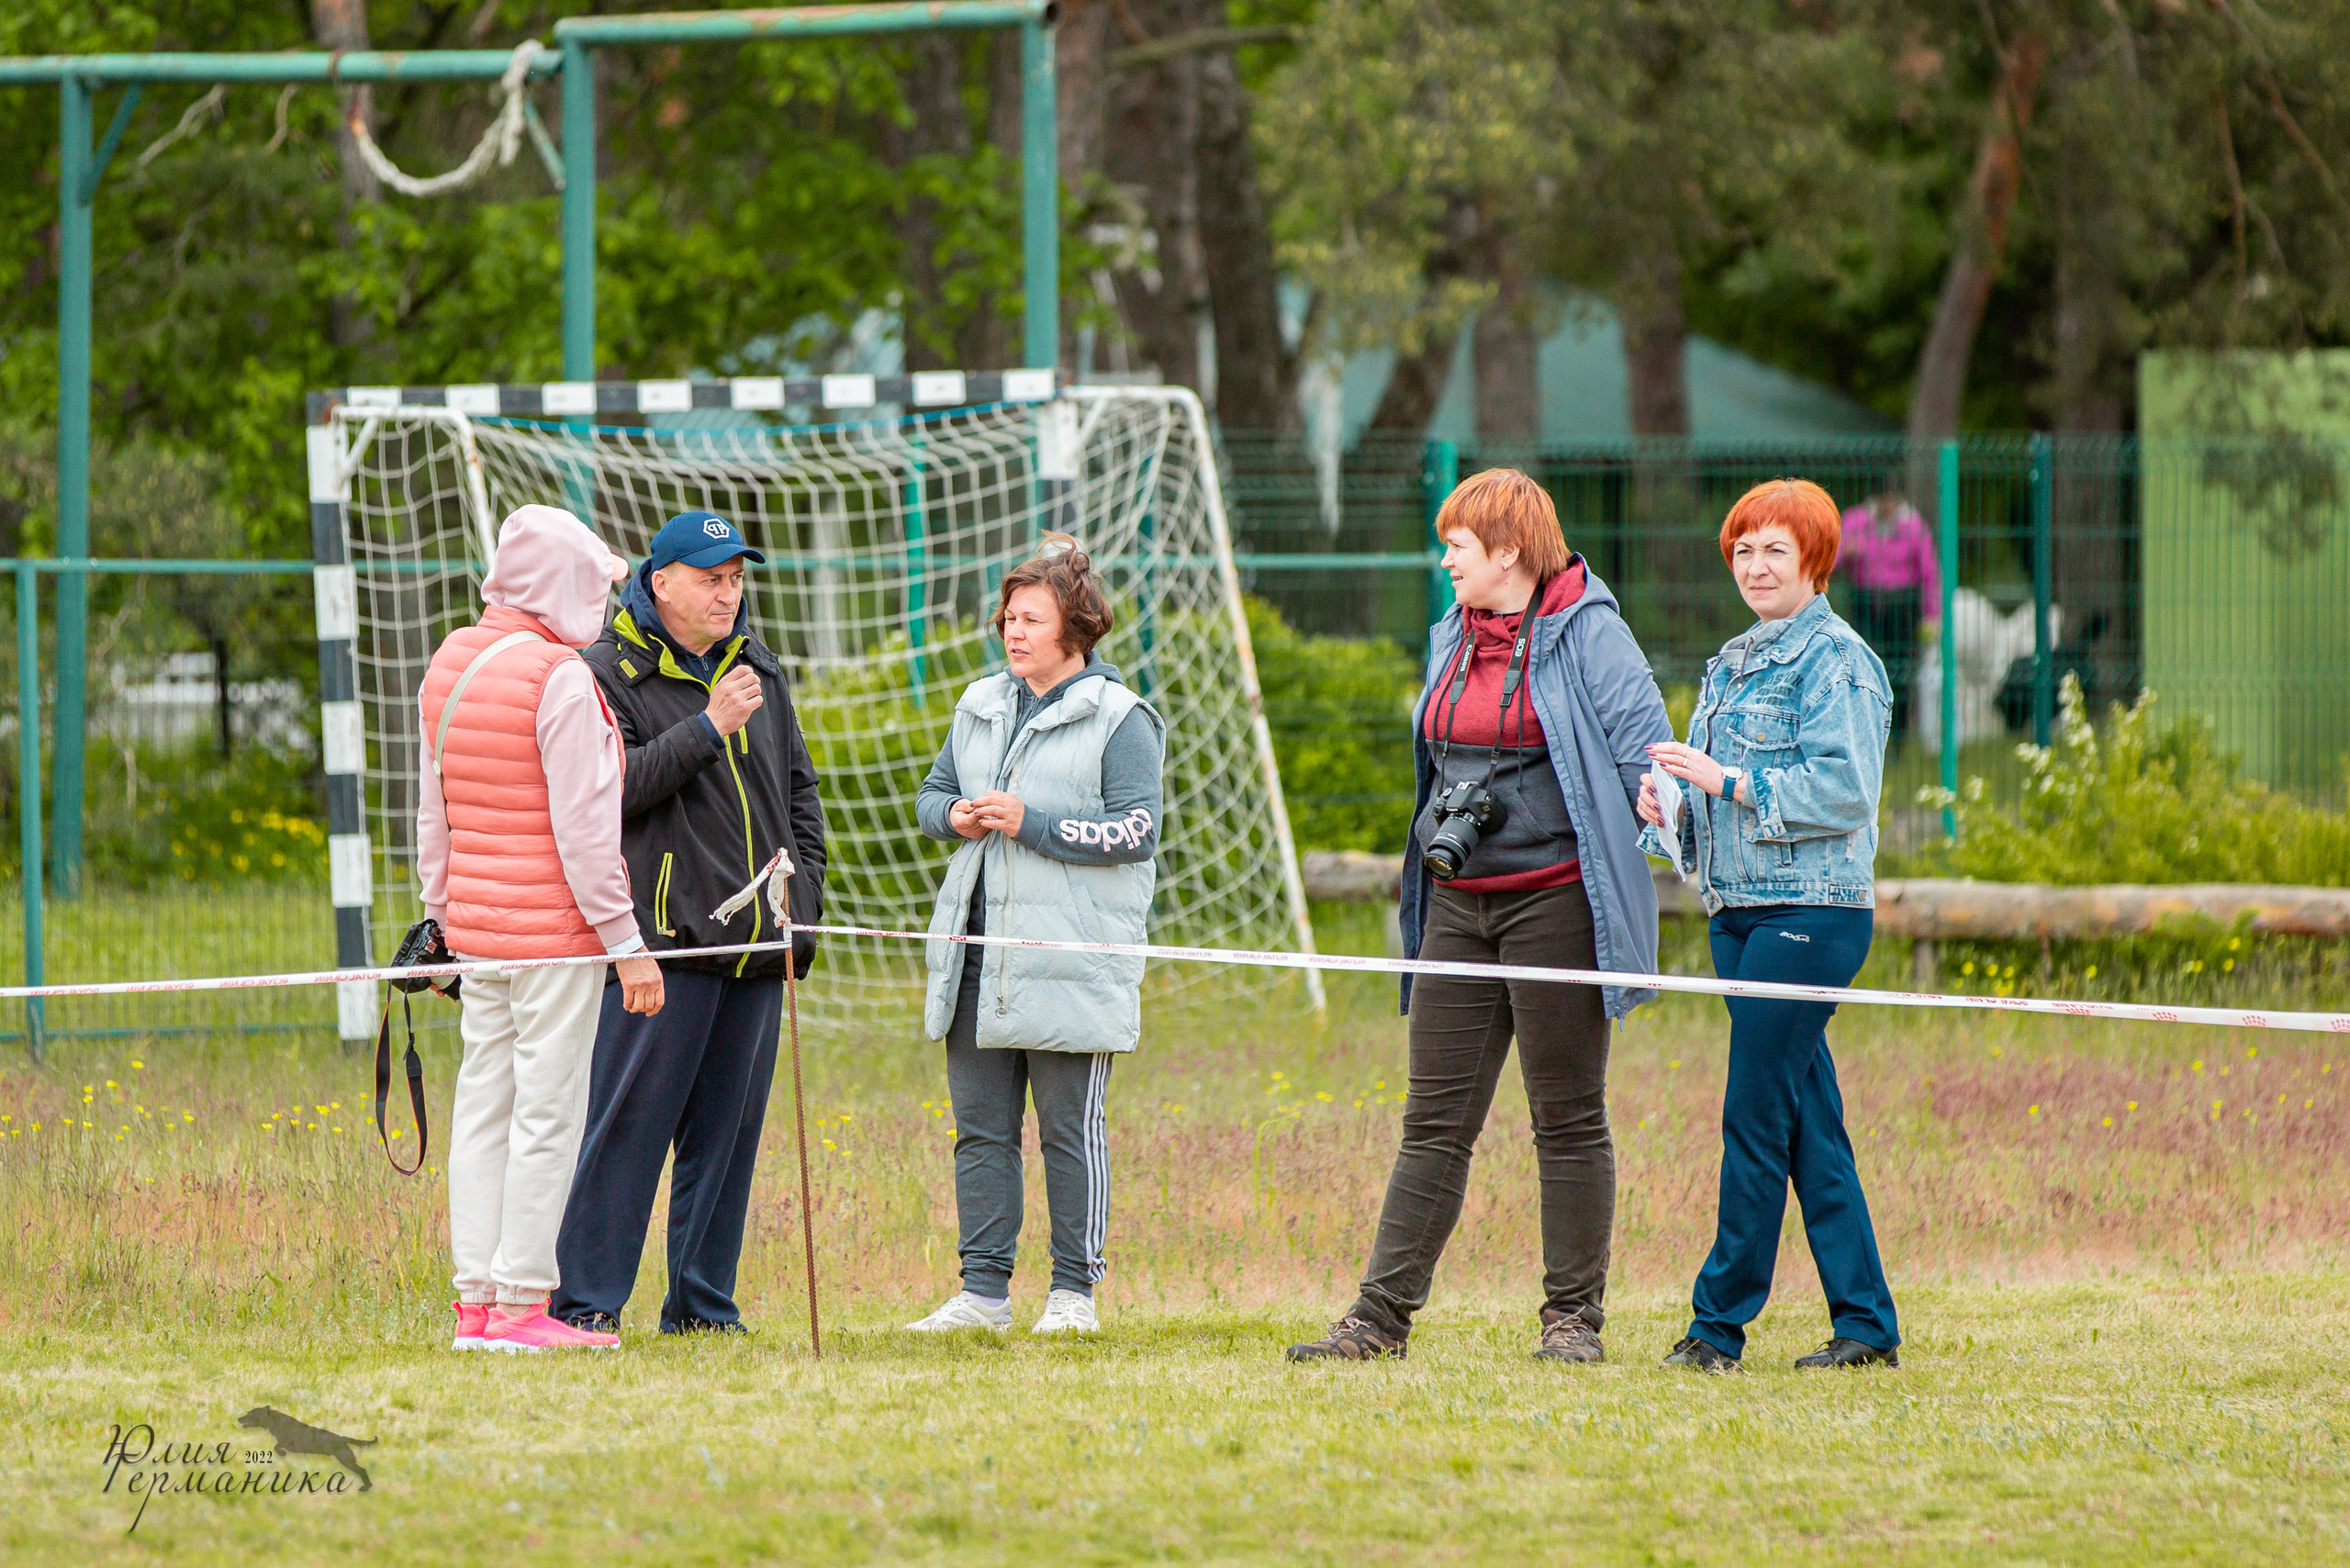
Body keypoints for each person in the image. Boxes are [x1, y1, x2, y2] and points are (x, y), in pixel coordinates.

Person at [1286, 468, 1673, 1367]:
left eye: (1456, 544)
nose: (1445, 559)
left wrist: (1660, 816)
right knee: (1432, 1120)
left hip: (1558, 903)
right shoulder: (1449, 634)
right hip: (1458, 905)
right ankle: (1377, 1319)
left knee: (1566, 1116)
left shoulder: (1593, 636)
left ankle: (1572, 1321)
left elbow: (1642, 766)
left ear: (1507, 549)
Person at [1640, 476, 1901, 1374]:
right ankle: (1865, 1323)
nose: (1755, 565)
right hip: (1735, 915)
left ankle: (1716, 1328)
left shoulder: (1840, 663)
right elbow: (1705, 799)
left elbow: (1843, 792)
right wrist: (1667, 802)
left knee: (1752, 1116)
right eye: (1743, 549)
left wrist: (1725, 783)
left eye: (1773, 550)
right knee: (1805, 1124)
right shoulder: (1730, 660)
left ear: (1815, 561)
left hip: (1811, 916)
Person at [551, 510, 827, 1338]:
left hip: (756, 946)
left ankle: (703, 1307)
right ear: (659, 581)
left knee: (729, 1141)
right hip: (663, 946)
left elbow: (800, 791)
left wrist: (803, 896)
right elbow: (611, 792)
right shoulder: (607, 673)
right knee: (629, 1132)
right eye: (711, 579)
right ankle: (588, 1302)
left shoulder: (759, 666)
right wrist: (709, 727)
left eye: (737, 579)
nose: (728, 595)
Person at [416, 504, 666, 1354]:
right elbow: (587, 834)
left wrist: (440, 919)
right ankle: (523, 1304)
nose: (602, 603)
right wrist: (627, 944)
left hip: (479, 937)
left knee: (481, 1110)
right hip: (556, 941)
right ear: (560, 583)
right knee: (547, 1116)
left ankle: (476, 1305)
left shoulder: (451, 662)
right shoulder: (561, 677)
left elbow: (433, 813)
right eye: (594, 585)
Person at [902, 533, 1165, 1337]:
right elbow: (931, 795)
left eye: (1031, 619)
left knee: (1067, 1132)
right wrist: (953, 816)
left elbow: (1138, 831)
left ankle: (1073, 1295)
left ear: (1075, 629)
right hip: (978, 958)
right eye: (1008, 618)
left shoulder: (1123, 718)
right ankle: (982, 1296)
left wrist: (1033, 823)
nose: (1013, 633)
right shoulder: (979, 702)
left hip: (1073, 963)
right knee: (981, 1132)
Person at [1834, 492, 1939, 743]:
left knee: (1901, 670)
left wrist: (1932, 614)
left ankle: (1897, 736)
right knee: (1862, 667)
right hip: (1865, 602)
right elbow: (1831, 563)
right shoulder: (1855, 521)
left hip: (1901, 606)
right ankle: (1865, 732)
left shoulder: (1913, 526)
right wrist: (1847, 551)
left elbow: (1929, 572)